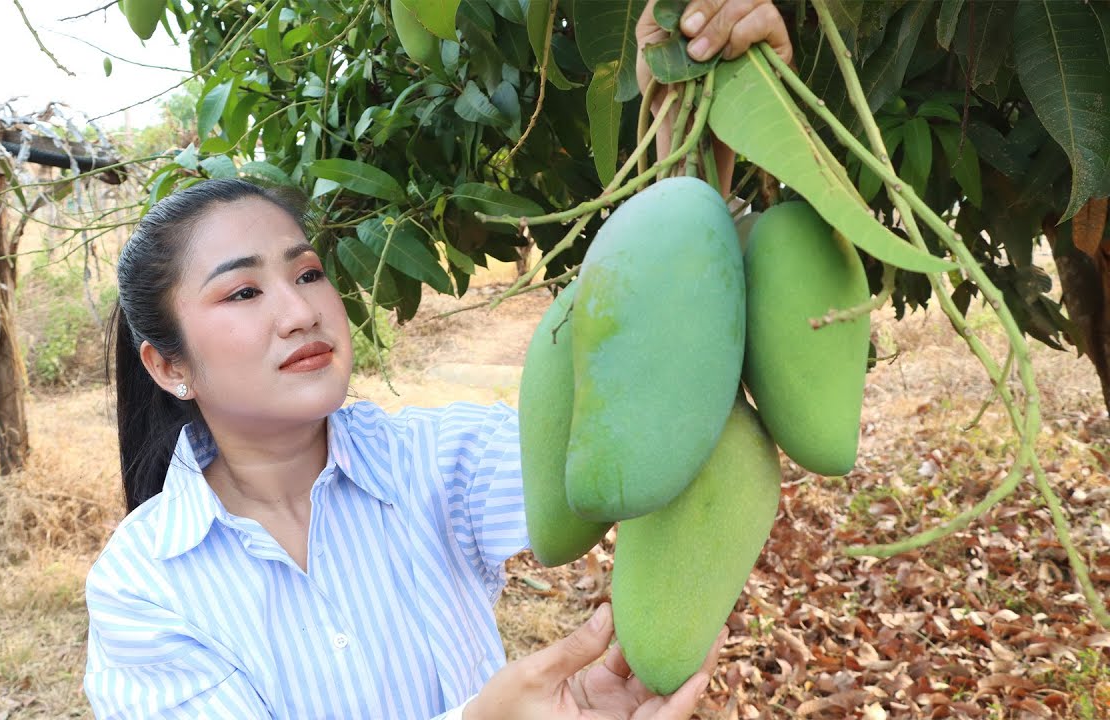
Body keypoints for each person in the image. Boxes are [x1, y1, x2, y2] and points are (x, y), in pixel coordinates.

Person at [84, 2, 793, 717]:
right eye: (242, 291)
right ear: (168, 366)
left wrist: (693, 126)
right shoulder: (144, 586)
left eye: (306, 274)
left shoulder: (430, 462)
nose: (301, 311)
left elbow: (639, 418)